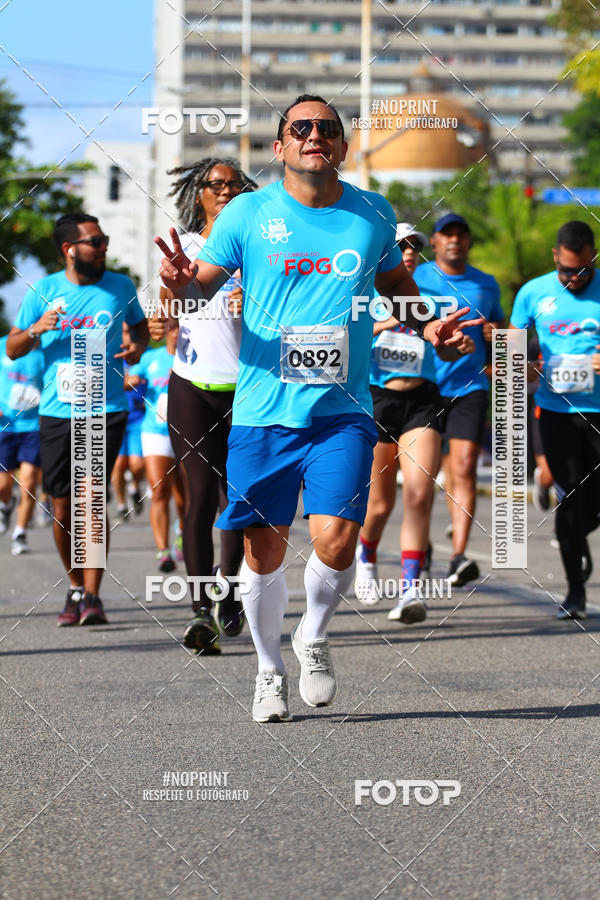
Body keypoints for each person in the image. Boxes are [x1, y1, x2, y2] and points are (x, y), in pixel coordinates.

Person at [156, 94, 481, 723]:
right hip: (262, 409)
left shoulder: (372, 213)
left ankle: (314, 636)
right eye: (300, 128)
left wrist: (430, 328)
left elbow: (397, 291)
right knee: (263, 553)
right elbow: (202, 283)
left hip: (344, 409)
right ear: (280, 147)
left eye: (326, 128)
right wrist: (179, 283)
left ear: (342, 145)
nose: (314, 136)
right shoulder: (247, 214)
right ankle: (269, 669)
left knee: (334, 539)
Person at [6, 212, 148, 626]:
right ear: (70, 250)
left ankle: (92, 595)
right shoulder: (43, 290)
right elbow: (14, 348)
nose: (104, 248)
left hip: (106, 410)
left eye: (104, 240)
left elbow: (140, 332)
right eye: (95, 242)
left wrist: (136, 349)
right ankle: (74, 586)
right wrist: (36, 328)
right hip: (57, 413)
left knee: (90, 501)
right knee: (63, 509)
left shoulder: (120, 286)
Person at [150, 157, 256, 655]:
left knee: (237, 499)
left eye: (235, 184)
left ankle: (229, 591)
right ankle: (200, 612)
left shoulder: (259, 250)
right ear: (199, 194)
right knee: (198, 496)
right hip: (191, 384)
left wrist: (255, 305)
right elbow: (168, 313)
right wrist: (170, 295)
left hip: (249, 387)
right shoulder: (187, 248)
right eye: (216, 185)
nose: (226, 191)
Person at [355, 226, 476, 619]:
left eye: (414, 248)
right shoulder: (363, 296)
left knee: (420, 496)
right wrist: (387, 323)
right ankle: (367, 557)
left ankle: (410, 590)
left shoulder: (427, 301)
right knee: (379, 504)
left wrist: (460, 347)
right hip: (377, 400)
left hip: (422, 401)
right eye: (401, 246)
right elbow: (342, 340)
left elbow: (445, 348)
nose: (409, 252)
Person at [510, 220, 600, 619]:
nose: (574, 278)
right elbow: (509, 351)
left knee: (591, 502)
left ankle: (576, 538)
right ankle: (575, 592)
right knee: (571, 494)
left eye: (582, 271)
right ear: (554, 258)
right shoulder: (533, 292)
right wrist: (525, 367)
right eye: (566, 271)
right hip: (556, 412)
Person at [414, 213, 504, 587]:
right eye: (447, 234)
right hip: (425, 387)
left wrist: (495, 331)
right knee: (424, 476)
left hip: (469, 386)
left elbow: (502, 331)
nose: (455, 240)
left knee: (464, 466)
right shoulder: (415, 279)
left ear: (469, 242)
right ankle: (422, 545)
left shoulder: (486, 284)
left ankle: (458, 555)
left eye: (461, 234)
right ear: (434, 242)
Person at [132, 325, 185, 572]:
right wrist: (130, 381)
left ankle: (182, 532)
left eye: (180, 327)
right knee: (159, 489)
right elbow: (127, 378)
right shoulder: (151, 358)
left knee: (184, 498)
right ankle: (163, 551)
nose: (175, 332)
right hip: (155, 431)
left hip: (188, 434)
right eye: (171, 327)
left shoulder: (196, 356)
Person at [0, 334, 44, 554]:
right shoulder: (3, 346)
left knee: (28, 482)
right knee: (3, 486)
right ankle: (6, 506)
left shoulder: (46, 354)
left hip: (33, 428)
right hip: (4, 425)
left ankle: (20, 533)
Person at [111, 324, 146, 520]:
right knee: (118, 465)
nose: (128, 335)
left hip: (137, 419)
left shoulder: (143, 354)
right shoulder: (111, 354)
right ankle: (122, 504)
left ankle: (134, 487)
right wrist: (125, 383)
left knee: (137, 464)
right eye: (124, 332)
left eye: (131, 331)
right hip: (116, 418)